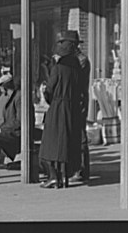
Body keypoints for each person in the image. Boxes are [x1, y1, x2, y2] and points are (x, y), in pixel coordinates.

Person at [38, 30, 85, 189]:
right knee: (67, 143)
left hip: (58, 107)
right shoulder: (77, 66)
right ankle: (65, 176)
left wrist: (46, 94)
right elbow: (81, 89)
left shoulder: (58, 68)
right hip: (72, 108)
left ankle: (53, 177)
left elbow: (50, 89)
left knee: (51, 143)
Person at [70, 40, 92, 184]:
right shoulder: (74, 60)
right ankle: (76, 167)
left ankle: (81, 169)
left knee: (80, 134)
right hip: (75, 99)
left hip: (79, 100)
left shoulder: (81, 60)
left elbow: (76, 79)